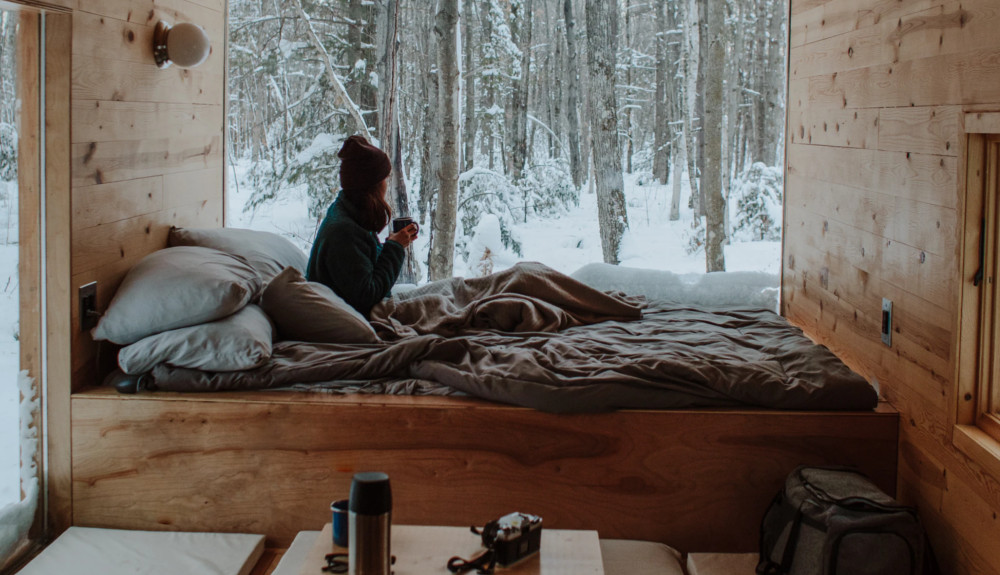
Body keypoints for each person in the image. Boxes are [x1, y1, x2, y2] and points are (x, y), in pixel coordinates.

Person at [306, 135, 418, 317]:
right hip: (346, 318)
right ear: (371, 185)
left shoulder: (348, 212)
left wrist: (390, 245)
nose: (386, 184)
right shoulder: (344, 232)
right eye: (385, 178)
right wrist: (395, 248)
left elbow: (360, 267)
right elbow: (368, 294)